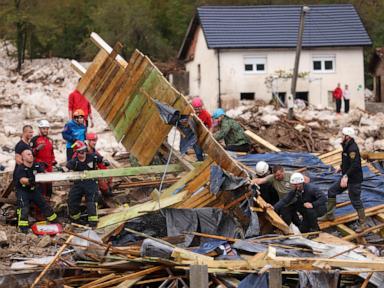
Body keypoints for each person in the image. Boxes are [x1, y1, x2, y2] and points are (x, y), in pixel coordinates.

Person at [319, 127, 366, 232]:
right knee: (332, 191)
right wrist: (341, 167)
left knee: (355, 200)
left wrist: (346, 176)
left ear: (348, 137)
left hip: (354, 180)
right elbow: (347, 160)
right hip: (346, 176)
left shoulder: (352, 148)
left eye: (343, 135)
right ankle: (329, 215)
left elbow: (356, 165)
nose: (341, 136)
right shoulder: (346, 146)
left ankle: (363, 224)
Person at [13, 150, 57, 233]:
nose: (31, 155)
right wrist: (31, 180)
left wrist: (50, 176)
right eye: (28, 154)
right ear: (23, 157)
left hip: (34, 190)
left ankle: (55, 221)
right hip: (23, 191)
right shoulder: (20, 168)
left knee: (44, 204)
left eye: (31, 154)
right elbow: (22, 180)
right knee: (24, 209)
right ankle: (23, 228)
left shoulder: (37, 165)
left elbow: (44, 173)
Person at [66, 140, 105, 227]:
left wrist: (104, 162)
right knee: (72, 200)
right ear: (76, 152)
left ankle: (93, 223)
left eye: (84, 150)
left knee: (91, 202)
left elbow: (102, 159)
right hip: (79, 184)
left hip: (91, 183)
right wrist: (67, 172)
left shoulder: (92, 157)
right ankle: (76, 219)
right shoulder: (74, 162)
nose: (83, 153)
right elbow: (67, 168)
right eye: (80, 151)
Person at [85, 133, 113, 197]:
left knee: (109, 176)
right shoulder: (83, 151)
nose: (95, 142)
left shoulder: (94, 151)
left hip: (94, 172)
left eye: (95, 140)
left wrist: (107, 172)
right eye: (93, 141)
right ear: (88, 141)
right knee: (100, 183)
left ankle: (106, 191)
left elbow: (100, 162)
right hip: (85, 174)